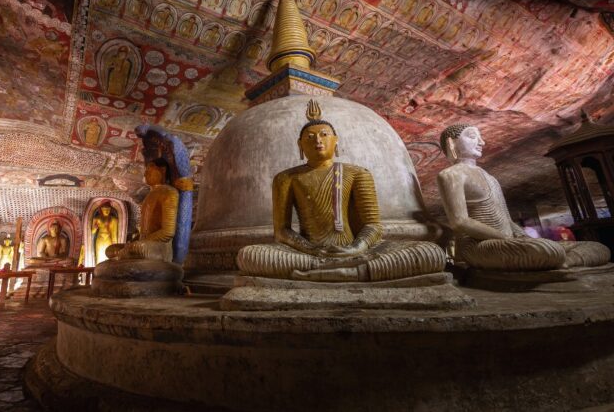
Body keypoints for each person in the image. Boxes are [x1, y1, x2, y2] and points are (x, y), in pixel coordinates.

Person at [235, 100, 446, 281]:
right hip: (309, 252)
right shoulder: (286, 178)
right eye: (309, 137)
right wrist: (310, 249)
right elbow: (282, 231)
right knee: (250, 256)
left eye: (324, 134)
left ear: (335, 141)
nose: (317, 140)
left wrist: (356, 247)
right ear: (300, 145)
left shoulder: (357, 173)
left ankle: (331, 273)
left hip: (355, 250)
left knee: (431, 253)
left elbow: (372, 225)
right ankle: (354, 273)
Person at [437, 124, 610, 270]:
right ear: (451, 143)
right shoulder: (451, 175)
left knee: (598, 247)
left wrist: (523, 238)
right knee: (544, 250)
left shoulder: (490, 178)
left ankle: (563, 263)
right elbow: (459, 222)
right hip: (478, 245)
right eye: (473, 136)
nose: (482, 142)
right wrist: (506, 238)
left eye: (480, 137)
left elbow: (507, 219)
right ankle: (556, 261)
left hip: (512, 243)